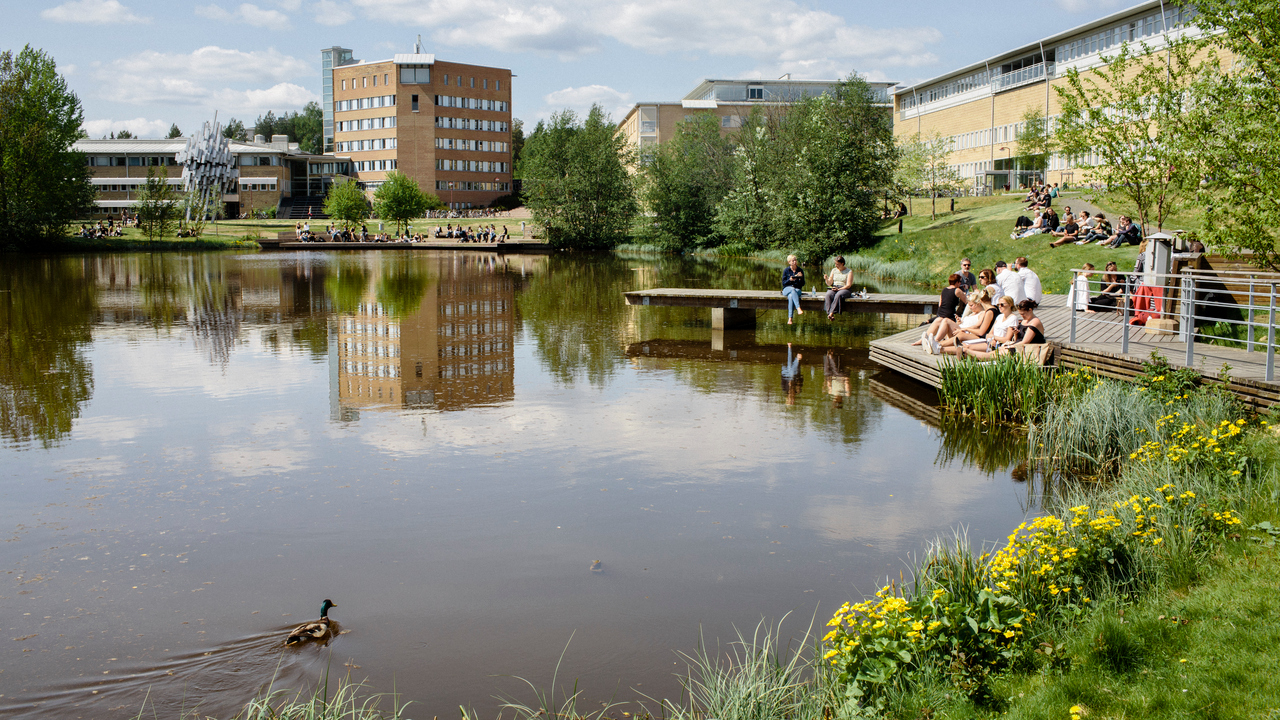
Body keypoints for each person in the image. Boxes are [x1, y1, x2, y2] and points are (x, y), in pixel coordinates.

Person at [957, 299, 1046, 359]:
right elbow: (1018, 339)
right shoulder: (1024, 321)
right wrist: (1015, 334)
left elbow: (1025, 342)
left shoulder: (1035, 322)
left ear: (1030, 310)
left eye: (1023, 314)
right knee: (993, 353)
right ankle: (965, 352)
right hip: (1020, 348)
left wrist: (1009, 346)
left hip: (1030, 350)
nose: (1022, 316)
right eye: (1021, 314)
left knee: (991, 355)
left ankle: (965, 351)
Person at [925, 290, 997, 355]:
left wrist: (966, 329)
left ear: (980, 301)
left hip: (982, 337)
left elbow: (981, 332)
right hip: (983, 336)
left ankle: (936, 344)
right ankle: (935, 344)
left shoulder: (989, 312)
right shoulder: (994, 309)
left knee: (961, 335)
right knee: (953, 328)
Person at [911, 274, 967, 348]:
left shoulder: (944, 290)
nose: (960, 283)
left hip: (940, 313)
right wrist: (965, 293)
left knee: (938, 319)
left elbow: (940, 303)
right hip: (949, 315)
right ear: (956, 282)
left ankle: (926, 340)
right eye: (960, 281)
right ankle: (931, 341)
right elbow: (967, 301)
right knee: (940, 320)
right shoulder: (957, 290)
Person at [781, 255, 806, 325]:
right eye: (793, 261)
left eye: (795, 260)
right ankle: (798, 308)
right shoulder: (786, 270)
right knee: (792, 290)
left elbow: (803, 284)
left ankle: (790, 319)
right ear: (789, 262)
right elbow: (783, 283)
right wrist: (790, 280)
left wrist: (800, 278)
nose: (795, 262)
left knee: (791, 296)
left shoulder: (800, 270)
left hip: (797, 290)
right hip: (787, 289)